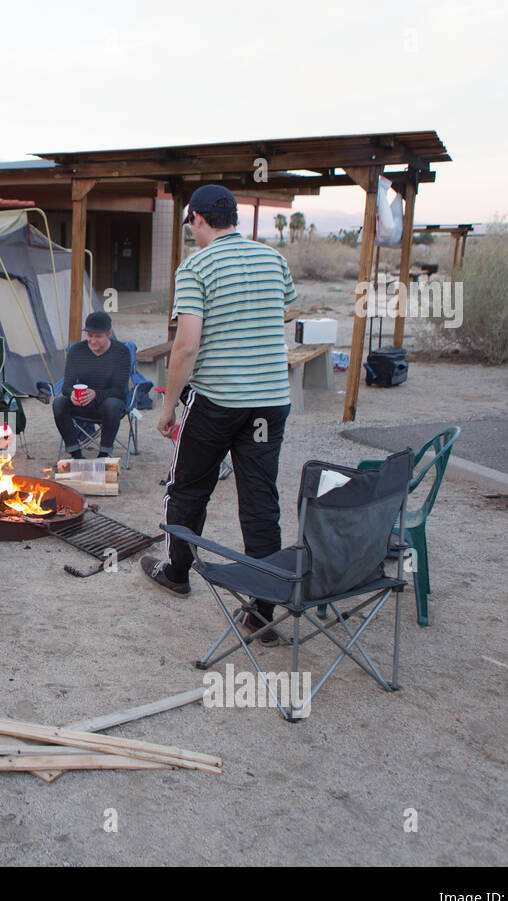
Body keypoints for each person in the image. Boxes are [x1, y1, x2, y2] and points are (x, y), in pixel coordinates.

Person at [143, 184, 297, 646]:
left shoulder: (196, 266)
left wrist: (169, 406)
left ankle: (176, 571)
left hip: (216, 400)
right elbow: (286, 311)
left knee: (188, 486)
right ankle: (262, 611)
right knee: (259, 500)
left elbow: (186, 344)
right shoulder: (273, 259)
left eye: (191, 222)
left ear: (198, 221)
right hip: (269, 400)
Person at [52, 310, 131, 459]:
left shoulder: (121, 352)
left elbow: (120, 391)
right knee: (59, 403)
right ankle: (75, 453)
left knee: (112, 404)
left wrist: (96, 393)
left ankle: (104, 454)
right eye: (90, 335)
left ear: (109, 333)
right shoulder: (76, 351)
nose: (93, 341)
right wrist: (72, 395)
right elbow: (66, 386)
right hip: (82, 404)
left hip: (108, 406)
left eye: (98, 336)